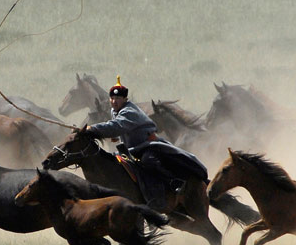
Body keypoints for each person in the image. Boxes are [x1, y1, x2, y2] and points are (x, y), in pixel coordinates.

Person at [86, 76, 208, 211]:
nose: (114, 101)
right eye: (112, 98)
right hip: (132, 149)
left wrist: (92, 129)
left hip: (147, 145)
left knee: (149, 160)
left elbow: (118, 125)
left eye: (118, 99)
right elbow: (120, 129)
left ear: (125, 100)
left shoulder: (129, 111)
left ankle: (174, 182)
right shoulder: (115, 110)